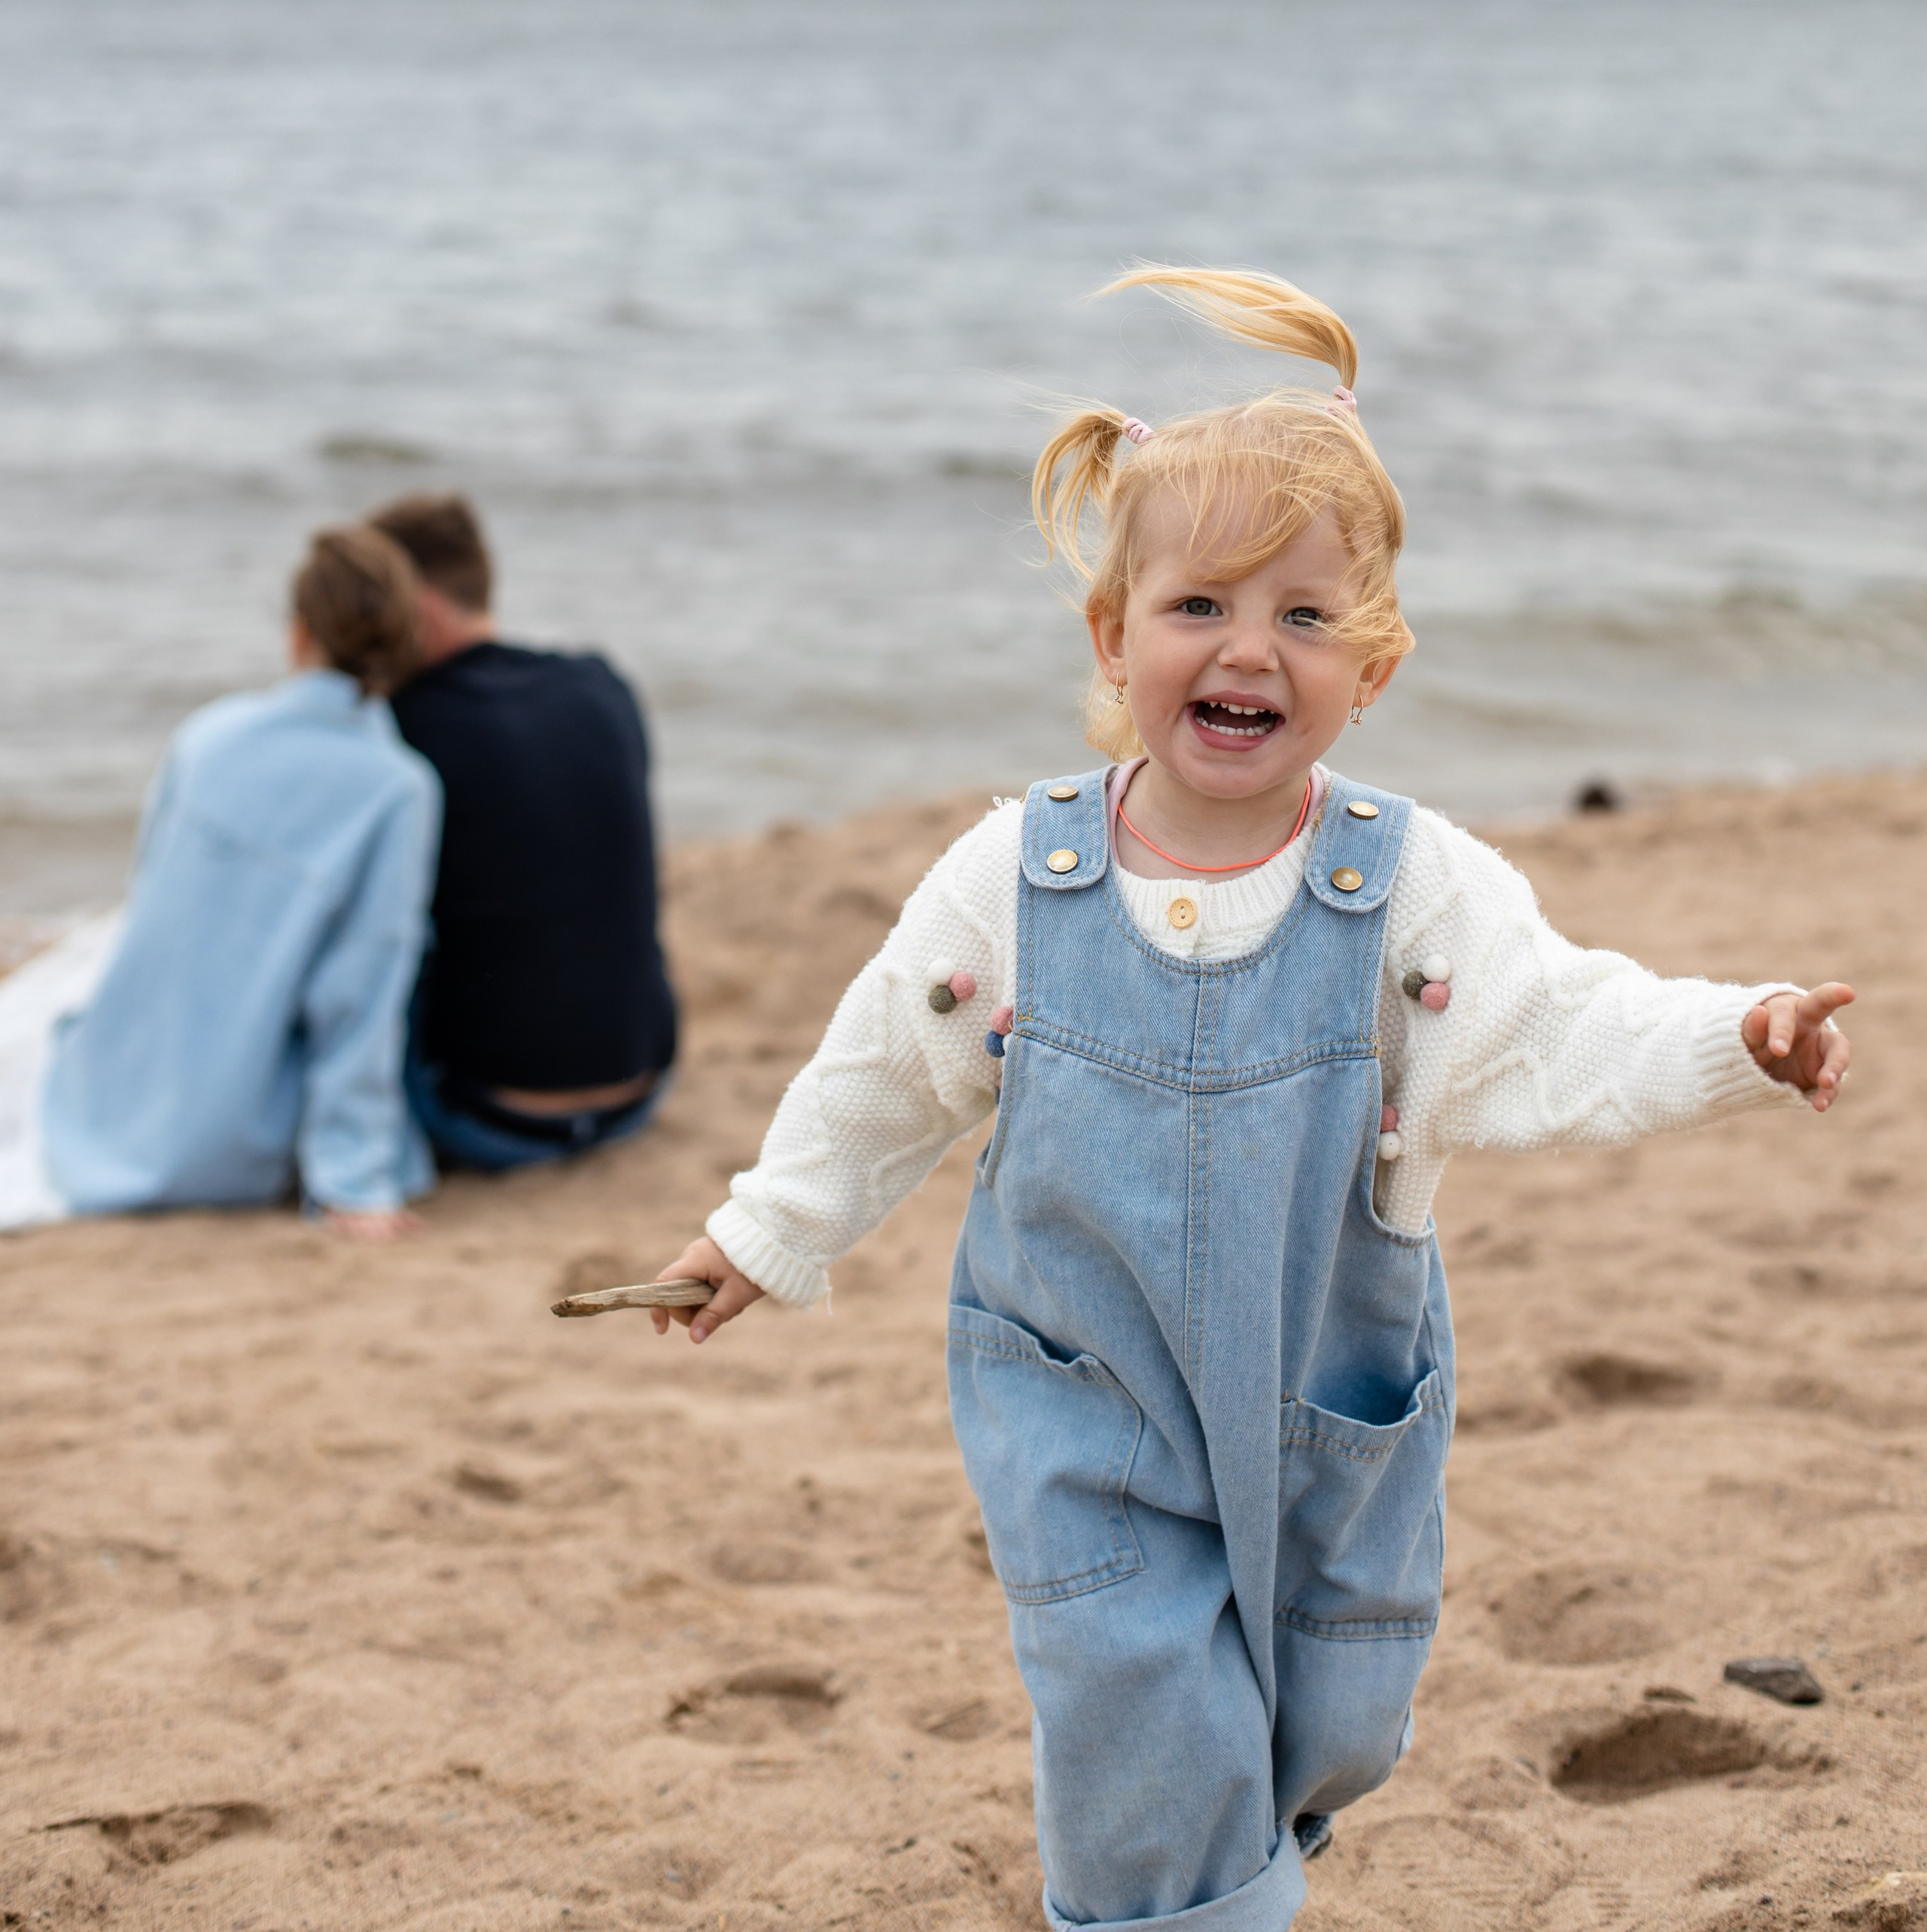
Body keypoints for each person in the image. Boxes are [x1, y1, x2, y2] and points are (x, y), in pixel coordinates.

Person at [641, 267, 1855, 1932]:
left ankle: (1238, 1851)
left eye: (1301, 617)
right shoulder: (1016, 875)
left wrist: (1741, 1035)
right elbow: (881, 1069)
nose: (1245, 651)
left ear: (1372, 659)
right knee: (1140, 1701)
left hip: (1323, 1388)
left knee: (1327, 1719)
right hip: (1085, 1392)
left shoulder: (1406, 886)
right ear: (1112, 636)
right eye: (1197, 606)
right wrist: (765, 1231)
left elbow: (1565, 1025)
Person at [2, 526, 440, 1239]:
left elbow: (152, 905)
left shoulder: (209, 734)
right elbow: (359, 993)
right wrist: (353, 1184)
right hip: (224, 1134)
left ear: (299, 634)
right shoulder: (398, 788)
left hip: (107, 1083)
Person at [367, 495, 676, 1169]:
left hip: (488, 1115)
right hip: (640, 1085)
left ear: (415, 609)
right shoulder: (603, 685)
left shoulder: (401, 725)